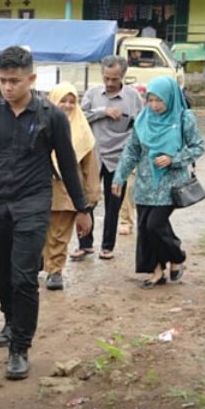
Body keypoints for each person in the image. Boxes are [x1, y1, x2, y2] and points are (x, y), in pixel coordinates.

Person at [0, 46, 92, 381]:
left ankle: (20, 348)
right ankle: (10, 321)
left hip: (33, 204)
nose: (8, 87)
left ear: (31, 79)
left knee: (24, 276)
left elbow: (68, 165)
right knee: (0, 270)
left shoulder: (49, 116)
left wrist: (82, 209)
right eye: (3, 81)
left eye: (14, 81)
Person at [112, 75, 205, 288]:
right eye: (150, 100)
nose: (154, 105)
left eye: (159, 100)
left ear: (170, 98)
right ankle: (156, 271)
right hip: (145, 183)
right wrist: (120, 177)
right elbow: (132, 151)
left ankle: (177, 256)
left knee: (155, 225)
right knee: (145, 229)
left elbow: (198, 146)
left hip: (170, 184)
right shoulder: (143, 118)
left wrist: (174, 159)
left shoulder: (184, 118)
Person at [74, 55, 143, 261]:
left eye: (115, 79)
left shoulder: (133, 97)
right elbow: (79, 116)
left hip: (119, 158)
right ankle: (85, 245)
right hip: (94, 156)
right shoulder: (93, 94)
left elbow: (139, 126)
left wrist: (131, 156)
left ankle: (107, 246)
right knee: (87, 201)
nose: (110, 83)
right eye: (106, 78)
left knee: (114, 203)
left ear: (123, 76)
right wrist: (102, 111)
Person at [43, 83, 101, 291]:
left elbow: (90, 167)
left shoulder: (82, 131)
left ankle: (55, 270)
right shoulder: (40, 124)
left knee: (59, 234)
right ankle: (43, 263)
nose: (67, 105)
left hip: (67, 192)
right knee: (39, 232)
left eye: (72, 101)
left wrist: (90, 199)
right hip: (39, 189)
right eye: (62, 100)